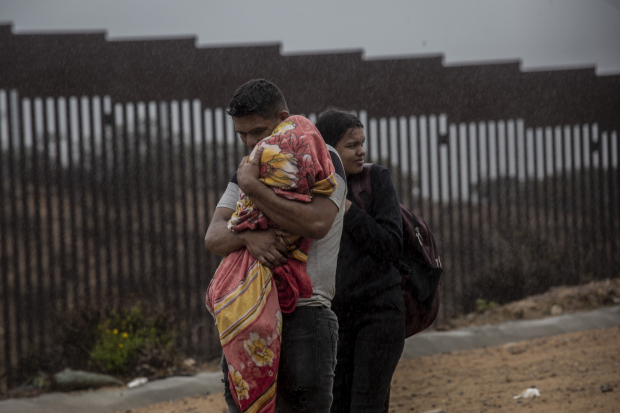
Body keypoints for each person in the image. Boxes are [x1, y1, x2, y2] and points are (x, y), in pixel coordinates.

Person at [204, 79, 347, 413]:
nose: (252, 142)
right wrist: (247, 236)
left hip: (305, 315)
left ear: (283, 117)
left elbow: (317, 223)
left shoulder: (322, 155)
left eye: (258, 130)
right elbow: (213, 236)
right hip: (247, 318)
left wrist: (253, 188)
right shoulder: (250, 165)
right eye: (242, 135)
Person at [315, 109, 405, 413]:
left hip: (380, 313)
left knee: (366, 406)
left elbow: (391, 245)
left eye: (362, 143)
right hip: (337, 319)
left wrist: (348, 209)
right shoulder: (312, 193)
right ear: (327, 150)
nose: (362, 151)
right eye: (352, 145)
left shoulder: (375, 178)